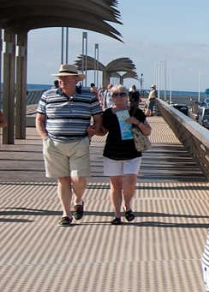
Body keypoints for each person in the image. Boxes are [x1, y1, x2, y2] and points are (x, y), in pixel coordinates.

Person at [36, 64, 102, 226]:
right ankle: (66, 214)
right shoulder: (47, 95)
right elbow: (40, 119)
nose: (62, 80)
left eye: (66, 77)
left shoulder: (88, 97)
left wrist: (94, 129)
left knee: (78, 178)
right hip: (54, 143)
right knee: (63, 180)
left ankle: (78, 201)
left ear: (75, 80)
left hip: (79, 142)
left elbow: (98, 117)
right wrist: (45, 138)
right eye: (60, 78)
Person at [95, 86, 151, 223]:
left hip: (132, 153)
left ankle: (127, 206)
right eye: (115, 95)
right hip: (112, 153)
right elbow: (103, 131)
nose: (118, 97)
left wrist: (136, 122)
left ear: (127, 96)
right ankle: (117, 215)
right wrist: (92, 130)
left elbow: (148, 131)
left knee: (130, 183)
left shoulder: (135, 112)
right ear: (111, 97)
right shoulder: (107, 114)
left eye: (122, 94)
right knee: (115, 185)